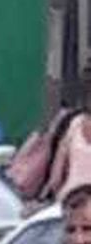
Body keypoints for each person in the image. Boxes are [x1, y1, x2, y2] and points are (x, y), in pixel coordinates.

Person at [14, 67, 91, 204]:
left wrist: (50, 198)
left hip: (71, 200)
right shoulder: (73, 123)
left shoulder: (75, 124)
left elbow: (56, 177)